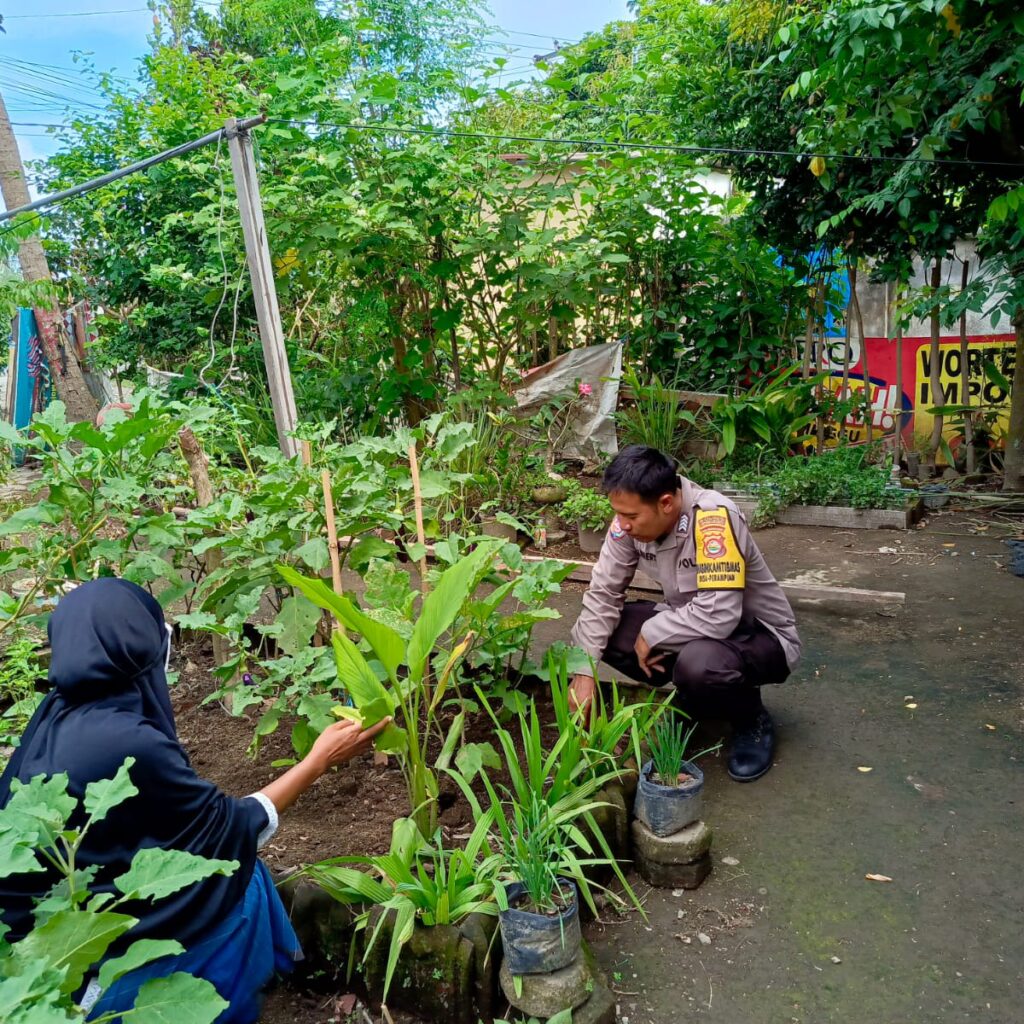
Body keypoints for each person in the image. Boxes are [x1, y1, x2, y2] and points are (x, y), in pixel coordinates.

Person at [0, 577, 388, 1022]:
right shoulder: (127, 742)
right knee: (238, 885)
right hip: (86, 974)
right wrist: (317, 762)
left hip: (37, 955)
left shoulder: (55, 714)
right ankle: (214, 1002)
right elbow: (227, 830)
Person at [568, 445, 800, 782]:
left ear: (665, 503)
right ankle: (695, 699)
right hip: (691, 624)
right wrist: (584, 670)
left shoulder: (713, 518)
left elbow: (720, 613)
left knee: (699, 664)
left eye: (631, 517)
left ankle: (750, 717)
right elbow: (602, 594)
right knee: (611, 633)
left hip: (760, 635)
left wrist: (653, 632)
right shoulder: (628, 523)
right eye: (618, 514)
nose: (622, 525)